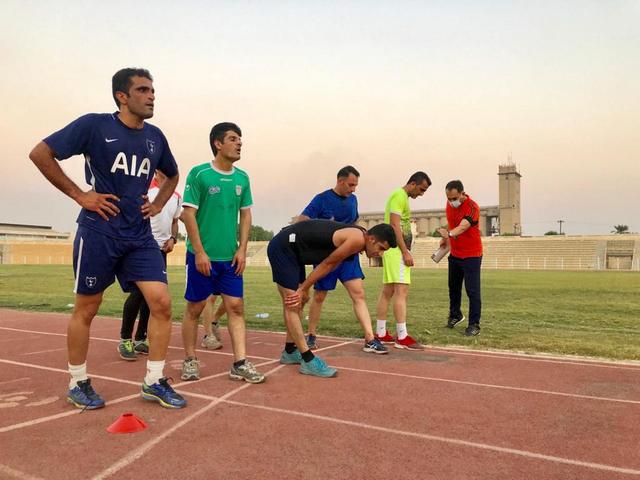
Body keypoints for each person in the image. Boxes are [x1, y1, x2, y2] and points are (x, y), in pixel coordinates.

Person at [28, 67, 186, 409]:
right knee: (87, 307)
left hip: (139, 235)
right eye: (143, 90)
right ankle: (78, 381)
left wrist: (158, 203)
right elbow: (40, 153)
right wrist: (80, 194)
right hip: (99, 231)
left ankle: (154, 380)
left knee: (161, 303)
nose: (152, 95)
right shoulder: (94, 125)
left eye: (153, 90)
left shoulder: (155, 137)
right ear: (122, 96)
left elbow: (173, 174)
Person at [180, 122, 265, 384]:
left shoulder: (242, 178)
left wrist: (242, 249)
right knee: (195, 308)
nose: (239, 143)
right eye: (233, 139)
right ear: (218, 143)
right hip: (202, 257)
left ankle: (239, 362)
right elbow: (187, 214)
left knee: (236, 307)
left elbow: (246, 214)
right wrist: (200, 253)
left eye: (240, 139)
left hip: (230, 259)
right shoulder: (199, 174)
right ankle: (190, 359)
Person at [268, 220, 397, 377]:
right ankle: (308, 360)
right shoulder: (356, 239)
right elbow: (328, 263)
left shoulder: (360, 238)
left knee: (299, 302)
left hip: (295, 252)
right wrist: (302, 288)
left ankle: (289, 351)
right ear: (371, 239)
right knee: (292, 303)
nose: (380, 253)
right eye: (381, 248)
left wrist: (304, 288)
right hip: (283, 247)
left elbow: (330, 264)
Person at [295, 166, 387, 354]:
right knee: (319, 295)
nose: (353, 189)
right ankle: (311, 335)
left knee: (358, 294)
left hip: (349, 256)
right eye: (351, 185)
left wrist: (360, 242)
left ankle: (370, 338)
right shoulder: (321, 199)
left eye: (356, 186)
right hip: (326, 256)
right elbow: (302, 219)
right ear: (340, 180)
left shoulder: (353, 200)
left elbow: (353, 223)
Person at [118, 170, 182, 360]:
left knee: (153, 298)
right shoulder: (145, 191)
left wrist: (173, 238)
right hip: (142, 248)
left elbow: (175, 221)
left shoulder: (176, 196)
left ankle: (140, 338)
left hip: (161, 251)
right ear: (155, 171)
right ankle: (125, 339)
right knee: (138, 295)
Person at [375, 171, 431, 350]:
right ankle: (402, 336)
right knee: (401, 291)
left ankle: (381, 333)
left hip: (393, 251)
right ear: (413, 184)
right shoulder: (399, 196)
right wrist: (405, 251)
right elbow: (394, 224)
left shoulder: (401, 197)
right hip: (397, 251)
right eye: (421, 189)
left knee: (388, 291)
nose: (421, 194)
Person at [437, 180, 483, 336]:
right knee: (453, 288)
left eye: (454, 198)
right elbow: (452, 224)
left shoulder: (472, 207)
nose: (451, 202)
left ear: (463, 193)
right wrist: (446, 239)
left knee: (472, 291)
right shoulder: (449, 205)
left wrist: (448, 234)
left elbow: (463, 226)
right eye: (448, 198)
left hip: (472, 255)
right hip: (455, 254)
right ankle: (455, 314)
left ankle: (474, 324)